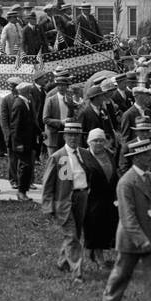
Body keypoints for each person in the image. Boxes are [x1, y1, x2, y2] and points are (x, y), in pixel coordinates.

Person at [103, 139, 151, 301]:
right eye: (148, 154)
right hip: (130, 238)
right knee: (122, 273)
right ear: (137, 158)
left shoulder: (150, 178)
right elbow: (127, 217)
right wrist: (142, 240)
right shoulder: (126, 183)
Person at [42, 120, 96, 280]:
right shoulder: (57, 157)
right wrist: (48, 205)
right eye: (70, 135)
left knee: (75, 233)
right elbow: (48, 183)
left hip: (82, 197)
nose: (73, 138)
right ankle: (77, 272)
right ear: (64, 136)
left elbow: (91, 171)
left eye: (76, 136)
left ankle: (62, 262)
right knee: (71, 235)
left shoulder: (85, 154)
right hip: (64, 200)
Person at [83, 128, 120, 271]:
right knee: (94, 226)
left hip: (108, 196)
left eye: (101, 140)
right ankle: (98, 258)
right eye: (95, 140)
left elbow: (114, 173)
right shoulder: (85, 156)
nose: (98, 143)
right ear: (89, 142)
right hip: (92, 197)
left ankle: (96, 251)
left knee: (107, 226)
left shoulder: (110, 154)